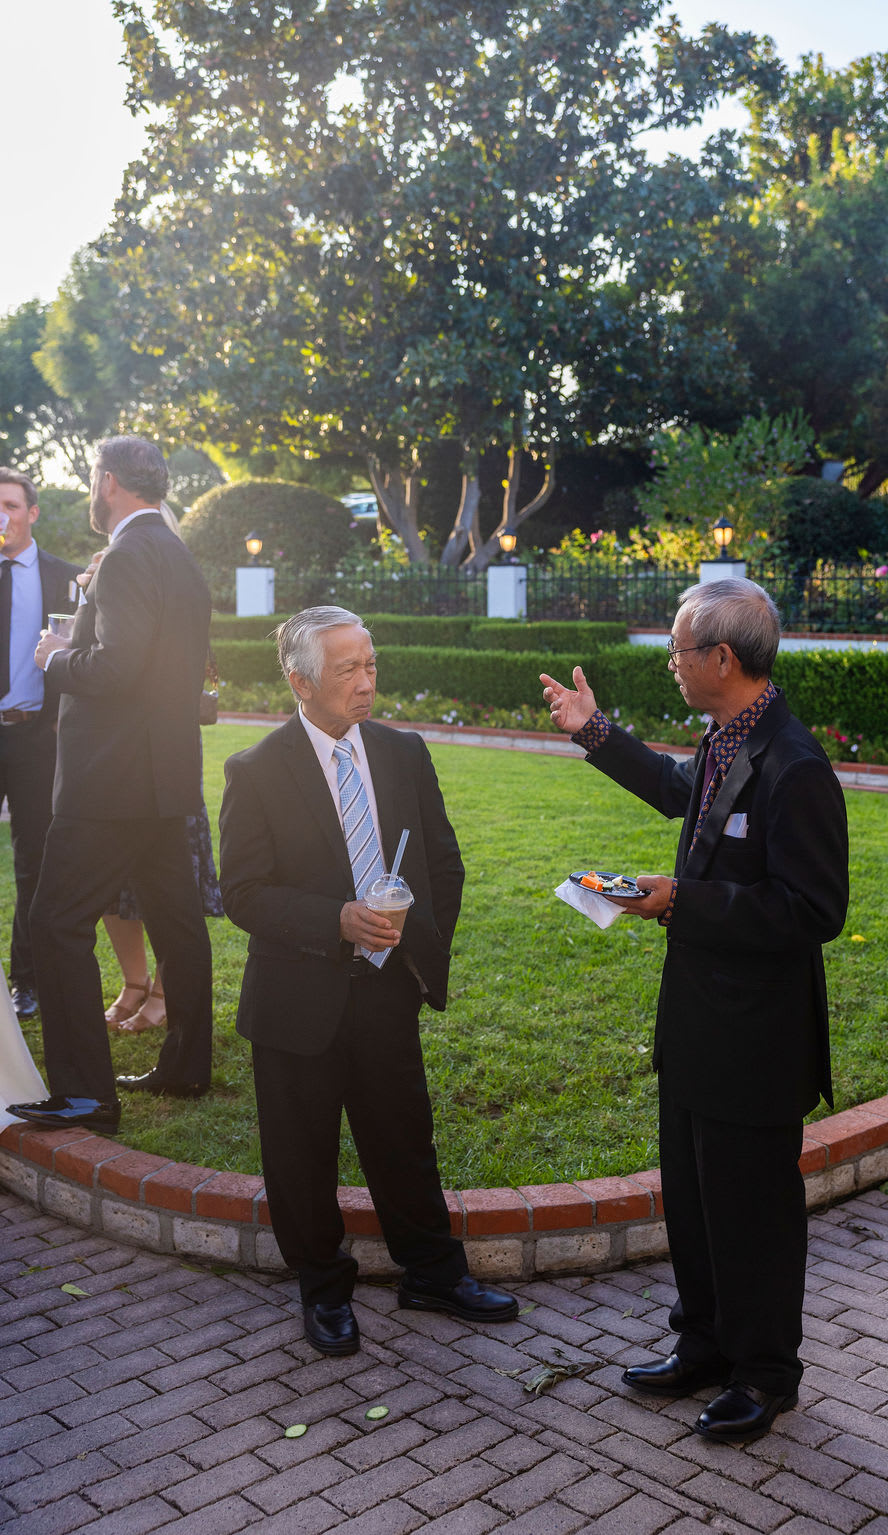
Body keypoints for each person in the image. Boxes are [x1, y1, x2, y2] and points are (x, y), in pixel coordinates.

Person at [541, 577, 849, 1444]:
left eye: (679, 649)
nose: (671, 663)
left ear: (722, 657)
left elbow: (814, 911)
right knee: (695, 1197)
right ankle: (706, 1343)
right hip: (698, 1025)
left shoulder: (796, 765)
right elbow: (683, 792)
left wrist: (684, 900)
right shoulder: (726, 738)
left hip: (757, 1038)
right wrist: (593, 732)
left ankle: (764, 1371)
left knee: (751, 1211)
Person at [218, 605, 517, 1357]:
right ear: (300, 680)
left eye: (371, 664)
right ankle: (323, 1289)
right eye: (347, 669)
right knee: (301, 1153)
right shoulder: (255, 769)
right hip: (297, 998)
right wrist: (336, 919)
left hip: (387, 987)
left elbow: (442, 863)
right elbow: (242, 892)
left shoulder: (402, 750)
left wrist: (418, 944)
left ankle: (432, 1273)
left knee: (403, 1138)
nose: (365, 681)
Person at [9, 435, 214, 1133]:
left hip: (109, 784)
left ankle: (86, 1096)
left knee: (54, 922)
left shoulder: (127, 555)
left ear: (109, 481)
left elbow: (115, 669)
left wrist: (57, 657)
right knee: (178, 925)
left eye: (93, 479)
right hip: (164, 777)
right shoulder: (179, 555)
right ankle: (187, 1064)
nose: (92, 490)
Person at [0, 469, 82, 1023]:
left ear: (32, 512)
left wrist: (58, 722)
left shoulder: (65, 579)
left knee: (34, 864)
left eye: (9, 505)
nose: (1, 516)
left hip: (35, 737)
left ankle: (24, 983)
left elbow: (80, 655)